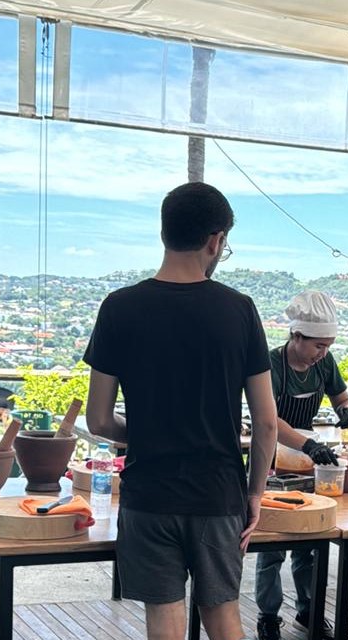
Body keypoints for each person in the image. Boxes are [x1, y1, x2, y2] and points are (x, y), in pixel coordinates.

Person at [83, 182, 278, 640]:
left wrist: (148, 433)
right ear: (215, 240)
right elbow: (267, 422)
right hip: (218, 494)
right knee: (223, 617)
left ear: (164, 233)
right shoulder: (239, 310)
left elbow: (98, 420)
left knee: (163, 619)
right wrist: (254, 493)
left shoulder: (119, 308)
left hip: (149, 495)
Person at [256, 290, 348, 640]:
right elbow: (270, 419)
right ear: (296, 336)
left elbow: (341, 395)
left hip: (305, 463)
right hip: (272, 461)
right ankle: (268, 616)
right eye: (318, 346)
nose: (323, 353)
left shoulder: (324, 363)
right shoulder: (271, 364)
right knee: (273, 546)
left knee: (308, 540)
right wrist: (309, 444)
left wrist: (346, 409)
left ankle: (308, 610)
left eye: (328, 346)